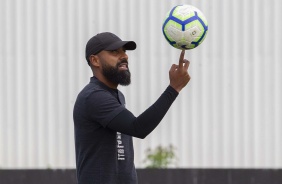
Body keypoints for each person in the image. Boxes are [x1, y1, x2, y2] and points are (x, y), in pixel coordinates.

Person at [73, 32, 190, 184]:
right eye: (115, 52)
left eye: (124, 51)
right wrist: (173, 88)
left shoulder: (116, 96)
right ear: (95, 60)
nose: (124, 56)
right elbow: (138, 128)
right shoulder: (93, 96)